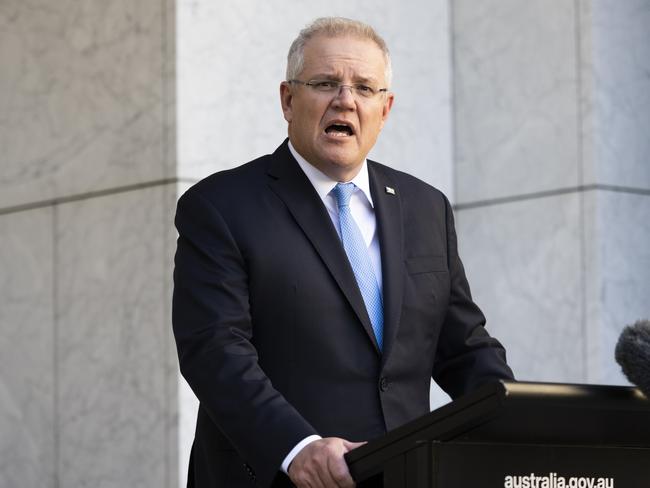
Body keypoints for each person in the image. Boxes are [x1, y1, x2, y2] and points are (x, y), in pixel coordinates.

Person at [172, 17, 514, 488]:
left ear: (385, 108)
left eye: (365, 88)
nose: (346, 100)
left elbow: (463, 350)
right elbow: (215, 351)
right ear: (288, 100)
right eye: (326, 82)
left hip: (406, 475)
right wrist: (297, 449)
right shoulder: (222, 206)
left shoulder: (425, 207)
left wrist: (520, 421)